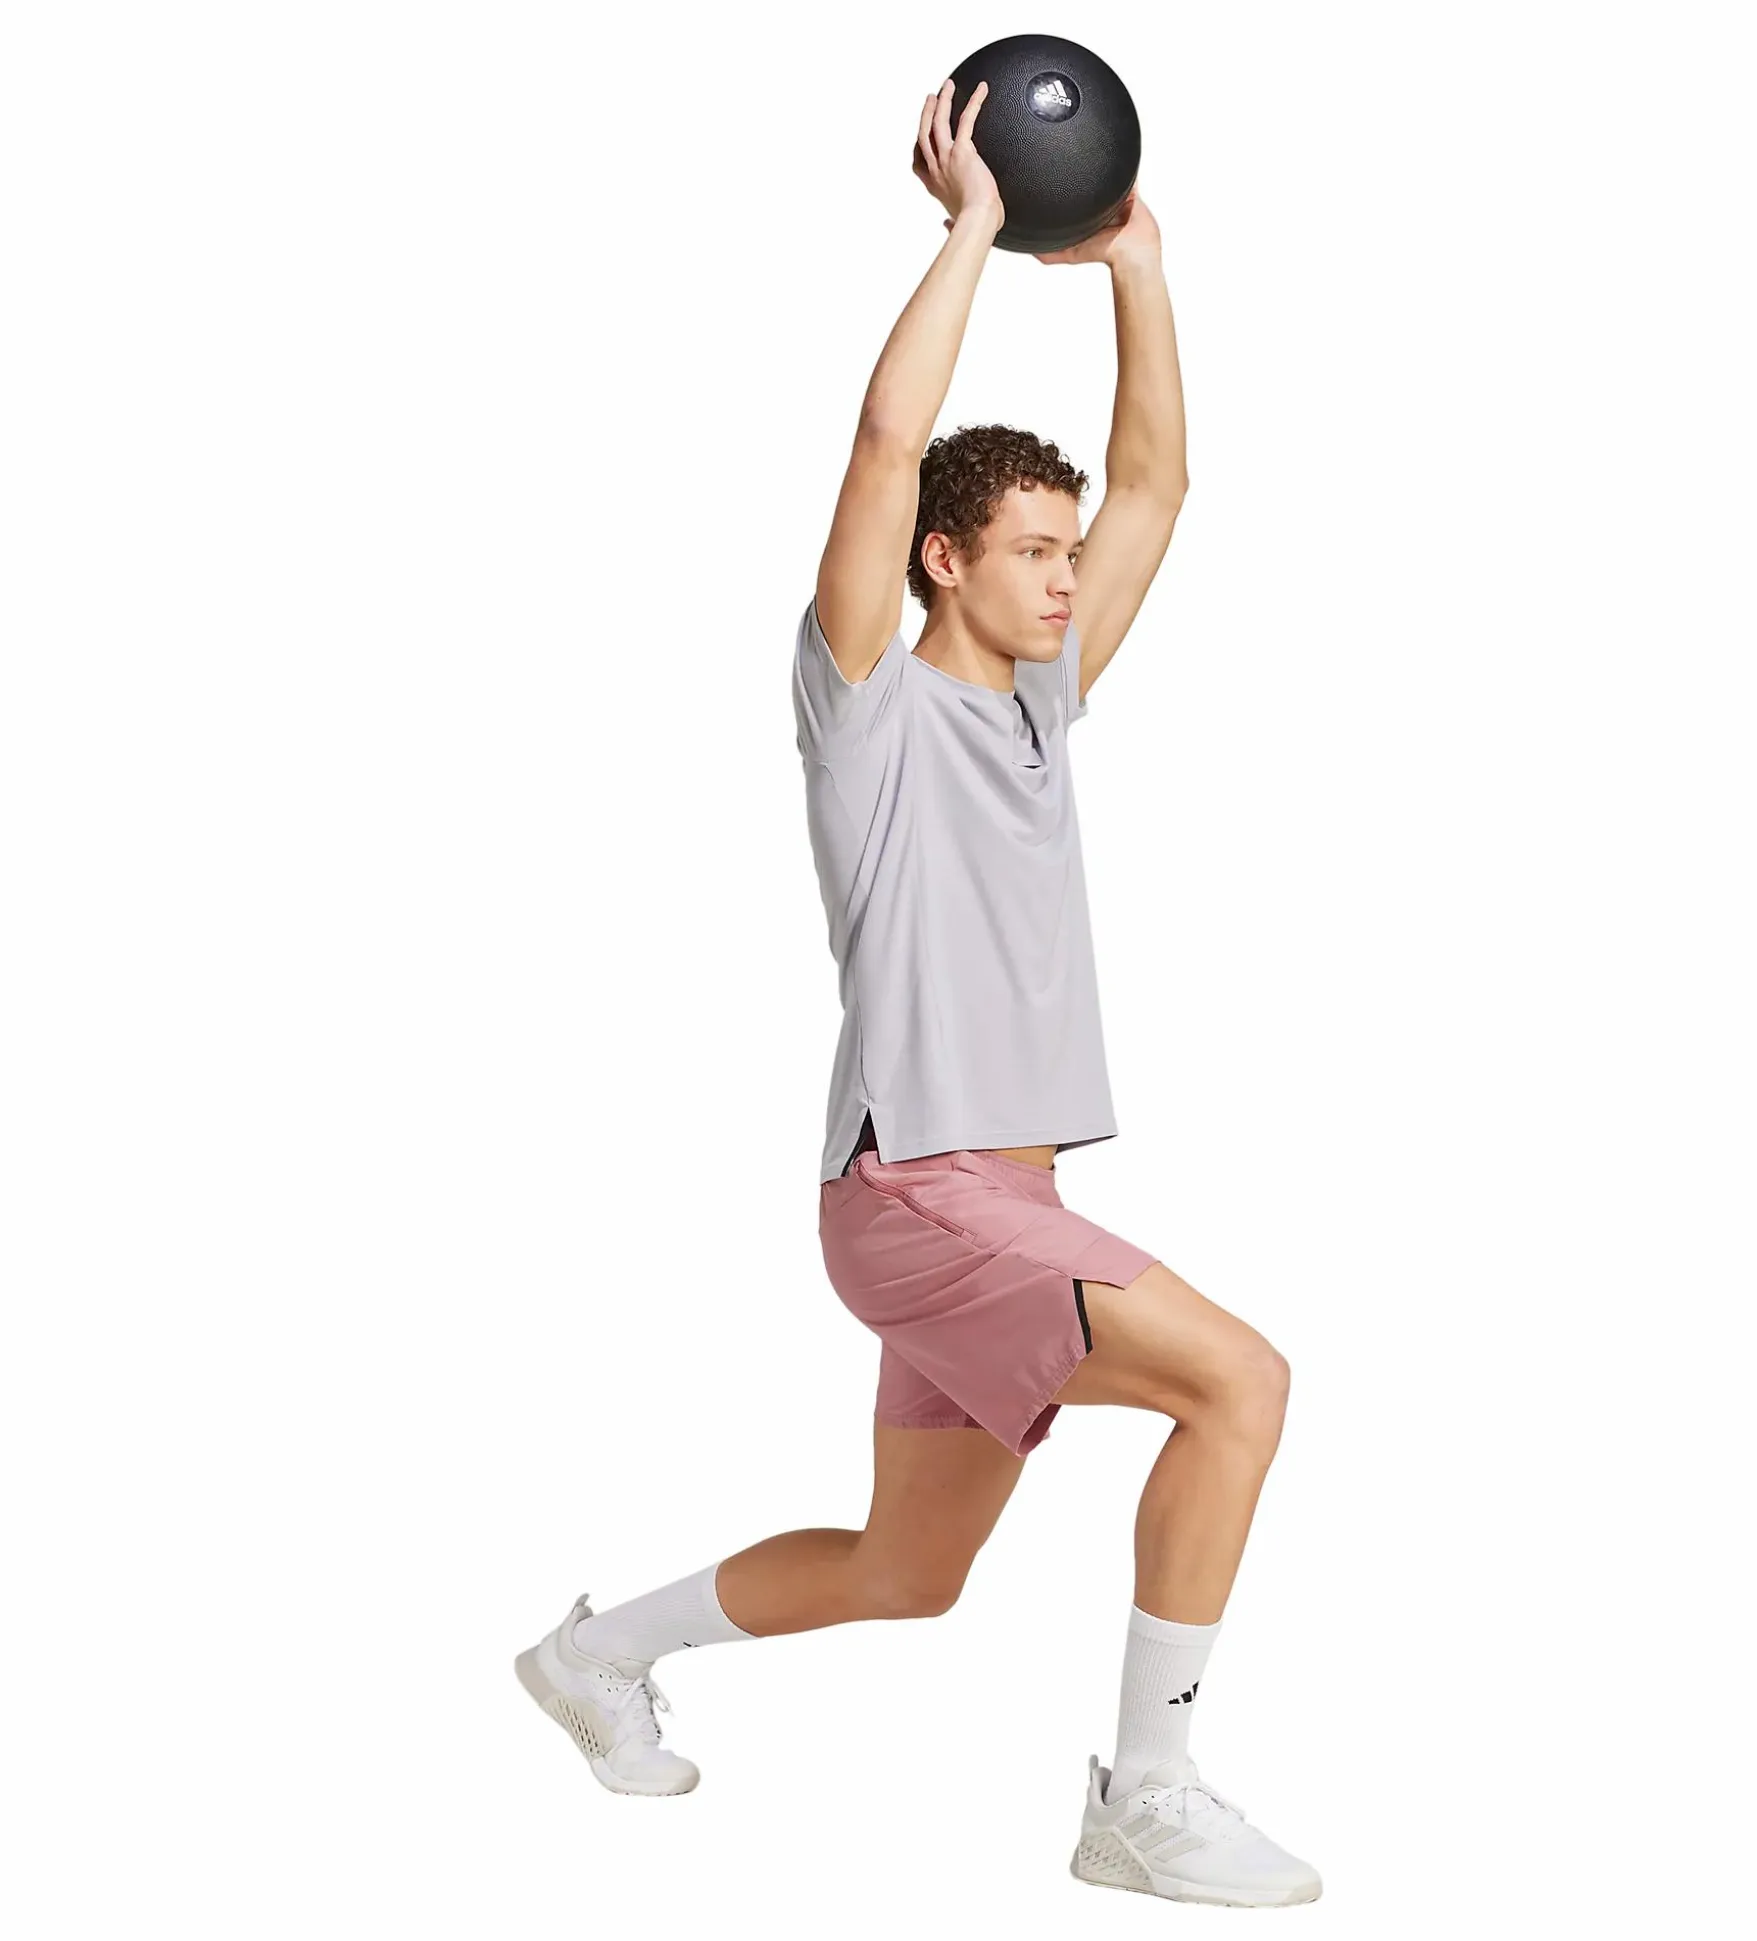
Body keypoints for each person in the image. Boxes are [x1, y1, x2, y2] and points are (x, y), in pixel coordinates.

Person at [515, 76, 1321, 1910]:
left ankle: (591, 1656)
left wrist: (1138, 266)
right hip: (921, 1194)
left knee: (909, 1569)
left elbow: (1158, 486)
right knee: (1243, 1385)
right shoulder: (866, 710)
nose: (1065, 580)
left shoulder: (1041, 705)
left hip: (990, 1202)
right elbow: (887, 447)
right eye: (1031, 551)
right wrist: (972, 228)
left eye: (1066, 554)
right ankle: (1151, 1795)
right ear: (947, 563)